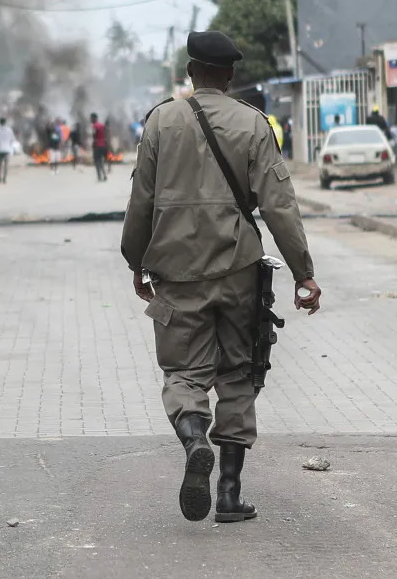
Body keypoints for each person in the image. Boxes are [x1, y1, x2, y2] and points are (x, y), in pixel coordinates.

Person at [122, 31, 322, 524]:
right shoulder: (253, 124)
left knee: (184, 373)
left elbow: (140, 203)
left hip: (174, 272)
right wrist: (304, 273)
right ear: (230, 75)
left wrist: (135, 262)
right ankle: (229, 495)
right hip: (238, 270)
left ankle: (193, 439)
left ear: (191, 73)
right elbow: (279, 206)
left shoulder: (161, 121)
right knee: (238, 373)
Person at [0, 117, 16, 184]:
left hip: (0, 149)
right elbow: (13, 139)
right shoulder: (9, 130)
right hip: (7, 149)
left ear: (0, 122)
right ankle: (4, 179)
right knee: (6, 165)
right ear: (5, 122)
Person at [91, 112, 110, 182]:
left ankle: (99, 177)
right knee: (101, 161)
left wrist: (93, 144)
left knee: (97, 162)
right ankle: (104, 175)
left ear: (94, 118)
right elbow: (106, 133)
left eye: (91, 118)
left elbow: (94, 135)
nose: (91, 120)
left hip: (97, 146)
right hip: (104, 145)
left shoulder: (94, 126)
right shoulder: (102, 125)